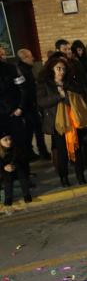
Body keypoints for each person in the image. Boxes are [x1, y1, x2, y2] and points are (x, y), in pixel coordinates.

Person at [37, 56, 87, 186]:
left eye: (64, 69)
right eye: (58, 68)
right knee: (62, 152)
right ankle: (64, 178)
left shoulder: (70, 83)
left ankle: (80, 176)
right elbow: (42, 102)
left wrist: (67, 95)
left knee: (77, 149)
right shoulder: (44, 84)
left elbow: (80, 96)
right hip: (57, 123)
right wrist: (59, 96)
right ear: (52, 69)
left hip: (73, 121)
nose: (61, 71)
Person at [0, 46, 30, 181]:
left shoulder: (11, 68)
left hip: (13, 114)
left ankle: (24, 177)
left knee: (19, 146)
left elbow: (23, 89)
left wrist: (20, 108)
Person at [17, 48, 51, 160]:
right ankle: (37, 152)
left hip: (31, 105)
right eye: (30, 56)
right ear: (24, 58)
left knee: (34, 129)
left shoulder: (27, 69)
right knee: (33, 130)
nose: (33, 58)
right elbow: (24, 90)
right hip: (28, 107)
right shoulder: (21, 70)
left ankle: (37, 152)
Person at [1, 125, 32, 206]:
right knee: (7, 179)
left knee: (22, 175)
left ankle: (26, 195)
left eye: (10, 139)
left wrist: (14, 165)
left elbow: (21, 159)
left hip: (16, 168)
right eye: (5, 140)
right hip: (4, 171)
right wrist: (4, 167)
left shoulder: (16, 147)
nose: (9, 141)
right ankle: (8, 198)